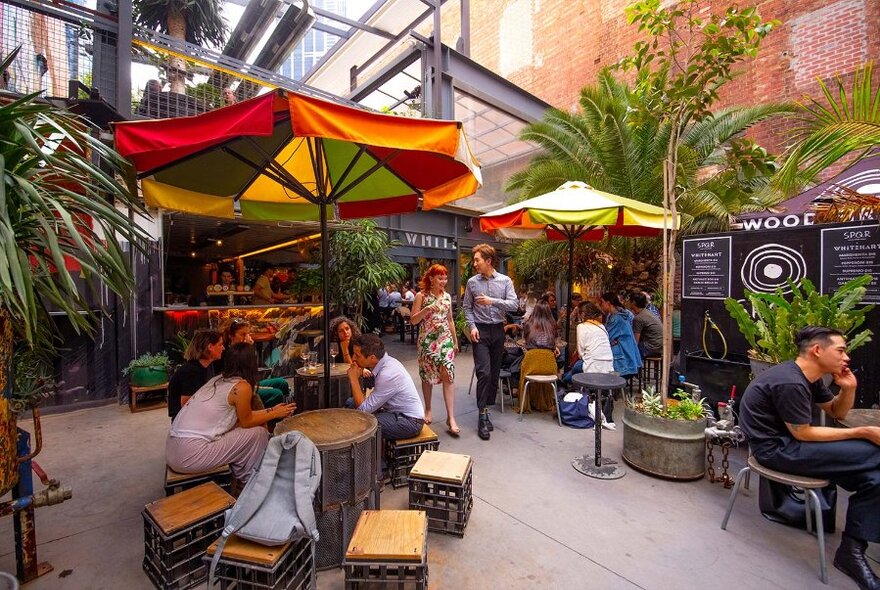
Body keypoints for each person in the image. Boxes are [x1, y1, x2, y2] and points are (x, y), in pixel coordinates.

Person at [739, 327, 880, 590]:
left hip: (793, 445)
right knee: (874, 451)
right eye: (840, 350)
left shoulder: (809, 377)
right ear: (817, 350)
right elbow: (802, 433)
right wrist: (863, 431)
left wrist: (849, 388)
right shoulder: (790, 381)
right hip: (777, 451)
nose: (846, 357)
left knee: (876, 478)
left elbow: (836, 412)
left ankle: (852, 551)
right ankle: (852, 553)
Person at [166, 343, 296, 483]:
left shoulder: (217, 380)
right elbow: (247, 421)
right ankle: (251, 480)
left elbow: (243, 418)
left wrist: (273, 410)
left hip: (173, 449)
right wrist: (275, 413)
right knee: (258, 434)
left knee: (249, 431)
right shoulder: (241, 387)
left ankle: (245, 474)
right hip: (190, 454)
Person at [462, 243, 518, 440]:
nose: (474, 263)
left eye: (477, 260)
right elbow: (467, 307)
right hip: (480, 330)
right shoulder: (472, 282)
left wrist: (492, 301)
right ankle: (482, 416)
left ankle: (486, 409)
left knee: (494, 374)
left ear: (488, 261)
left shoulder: (504, 281)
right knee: (483, 372)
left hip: (498, 330)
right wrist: (472, 327)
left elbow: (514, 304)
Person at [346, 334, 425, 442]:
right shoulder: (385, 363)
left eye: (357, 355)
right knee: (351, 403)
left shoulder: (387, 374)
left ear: (372, 358)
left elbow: (363, 410)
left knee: (363, 422)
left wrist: (354, 379)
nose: (353, 358)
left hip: (409, 421)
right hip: (394, 412)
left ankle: (368, 457)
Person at [410, 264, 459, 435]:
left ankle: (451, 417)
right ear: (431, 278)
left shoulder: (447, 297)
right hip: (427, 342)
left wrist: (455, 341)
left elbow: (450, 320)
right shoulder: (421, 296)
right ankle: (428, 409)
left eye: (445, 278)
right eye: (440, 278)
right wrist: (426, 309)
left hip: (444, 341)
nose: (443, 281)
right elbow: (413, 320)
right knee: (427, 376)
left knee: (448, 374)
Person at [562, 302, 615, 427]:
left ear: (583, 314)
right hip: (608, 367)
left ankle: (564, 383)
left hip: (591, 366)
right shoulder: (602, 326)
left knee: (571, 373)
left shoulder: (582, 326)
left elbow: (580, 353)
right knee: (574, 369)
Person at [217, 319, 290, 408]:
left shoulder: (241, 349)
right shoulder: (227, 352)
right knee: (276, 393)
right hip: (236, 388)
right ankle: (272, 419)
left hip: (249, 383)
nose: (246, 337)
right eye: (242, 334)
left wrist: (249, 349)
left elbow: (253, 371)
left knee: (282, 383)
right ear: (230, 336)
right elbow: (248, 373)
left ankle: (287, 411)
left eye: (248, 334)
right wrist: (249, 349)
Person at [597, 292, 641, 428]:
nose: (601, 306)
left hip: (623, 360)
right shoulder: (622, 314)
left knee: (602, 371)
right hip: (630, 356)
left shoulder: (617, 318)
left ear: (608, 303)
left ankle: (605, 413)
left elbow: (606, 336)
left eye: (602, 303)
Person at [168, 329, 223, 421]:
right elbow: (187, 405)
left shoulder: (208, 366)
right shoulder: (191, 371)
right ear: (210, 347)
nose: (223, 348)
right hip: (185, 422)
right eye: (220, 344)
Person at [518, 300, 559, 413]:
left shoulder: (528, 324)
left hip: (532, 358)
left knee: (524, 375)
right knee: (547, 376)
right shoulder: (553, 325)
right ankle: (543, 402)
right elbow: (554, 343)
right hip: (549, 361)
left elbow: (526, 343)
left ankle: (526, 403)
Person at [628, 291, 663, 359]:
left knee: (628, 350)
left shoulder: (639, 318)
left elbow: (636, 341)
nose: (627, 303)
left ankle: (634, 368)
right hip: (659, 345)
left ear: (633, 302)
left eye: (629, 301)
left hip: (652, 347)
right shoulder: (647, 312)